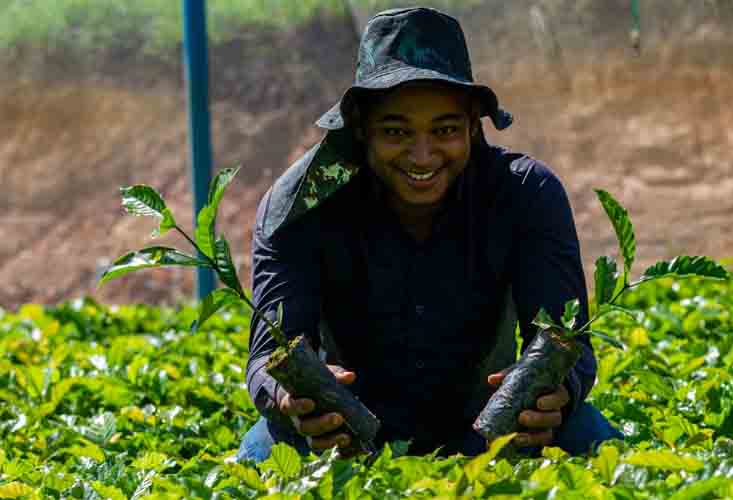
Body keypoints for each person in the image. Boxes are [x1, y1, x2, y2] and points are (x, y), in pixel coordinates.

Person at [238, 6, 622, 462]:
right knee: (260, 458)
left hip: (492, 433)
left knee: (597, 445)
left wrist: (557, 393)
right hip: (346, 440)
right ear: (361, 128)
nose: (422, 156)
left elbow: (568, 341)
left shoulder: (524, 193)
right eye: (396, 131)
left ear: (473, 125)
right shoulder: (299, 207)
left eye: (445, 130)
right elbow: (267, 357)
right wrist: (291, 402)